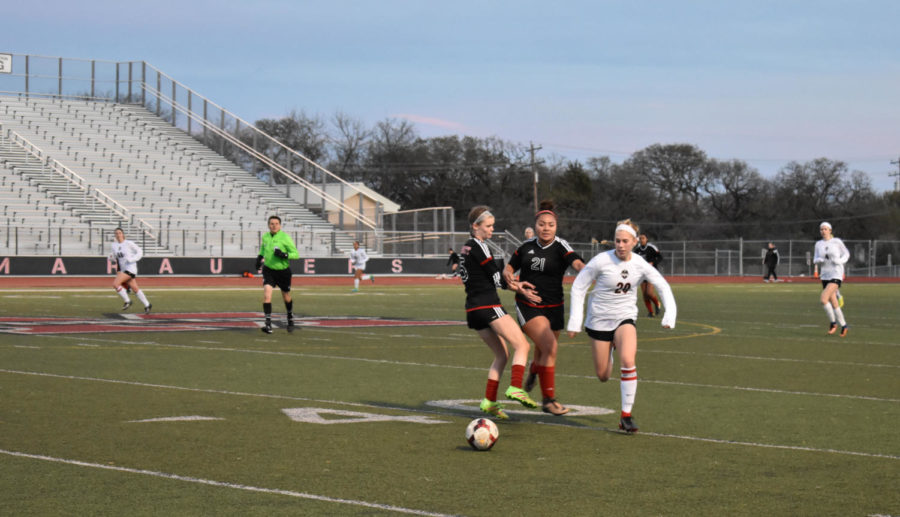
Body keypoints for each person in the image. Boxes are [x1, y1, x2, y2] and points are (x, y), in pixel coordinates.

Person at [567, 219, 677, 434]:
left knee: (628, 359)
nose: (620, 245)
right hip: (599, 320)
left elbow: (662, 285)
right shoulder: (601, 261)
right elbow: (579, 287)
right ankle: (608, 352)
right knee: (603, 375)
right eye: (617, 240)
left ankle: (626, 415)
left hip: (624, 318)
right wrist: (575, 321)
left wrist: (669, 316)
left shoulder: (639, 263)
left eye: (625, 241)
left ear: (634, 242)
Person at [503, 200, 585, 415]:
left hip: (555, 307)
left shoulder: (561, 246)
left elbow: (578, 264)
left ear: (556, 226)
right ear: (535, 225)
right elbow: (509, 269)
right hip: (529, 305)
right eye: (541, 224)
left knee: (545, 352)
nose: (546, 228)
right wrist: (512, 279)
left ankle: (534, 371)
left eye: (550, 224)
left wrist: (589, 272)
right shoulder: (526, 247)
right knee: (550, 347)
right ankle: (549, 400)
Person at [460, 205, 540, 420]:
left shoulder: (465, 248)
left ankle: (489, 401)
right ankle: (515, 387)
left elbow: (484, 277)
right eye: (488, 226)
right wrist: (519, 288)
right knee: (522, 345)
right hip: (488, 305)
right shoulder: (480, 246)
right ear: (475, 227)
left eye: (492, 226)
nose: (491, 230)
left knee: (502, 355)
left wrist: (517, 285)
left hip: (472, 310)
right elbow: (497, 280)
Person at [255, 215, 299, 334]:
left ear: (280, 225)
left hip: (283, 271)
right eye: (271, 223)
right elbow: (263, 250)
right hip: (269, 270)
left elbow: (295, 254)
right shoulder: (265, 237)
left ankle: (290, 317)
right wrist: (259, 259)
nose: (274, 226)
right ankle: (268, 325)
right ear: (268, 225)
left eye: (276, 223)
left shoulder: (285, 237)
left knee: (286, 296)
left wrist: (284, 255)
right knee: (267, 296)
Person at [813, 222, 850, 337]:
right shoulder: (818, 244)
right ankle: (844, 325)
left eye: (825, 229)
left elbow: (846, 254)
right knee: (834, 302)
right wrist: (818, 260)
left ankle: (833, 323)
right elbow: (814, 259)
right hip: (825, 275)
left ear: (830, 230)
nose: (823, 231)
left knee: (824, 299)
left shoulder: (836, 242)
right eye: (821, 229)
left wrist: (840, 261)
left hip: (836, 274)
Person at [108, 227, 152, 313]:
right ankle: (147, 305)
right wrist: (111, 258)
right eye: (116, 233)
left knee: (116, 284)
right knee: (135, 289)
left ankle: (127, 301)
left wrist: (133, 259)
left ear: (123, 234)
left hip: (131, 268)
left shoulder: (128, 243)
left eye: (120, 233)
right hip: (124, 269)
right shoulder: (114, 245)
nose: (118, 235)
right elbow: (115, 258)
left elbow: (140, 251)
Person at [634, 234, 663, 317]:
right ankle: (651, 312)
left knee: (649, 293)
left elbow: (660, 257)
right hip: (642, 274)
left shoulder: (651, 248)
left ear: (646, 239)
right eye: (640, 238)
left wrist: (653, 262)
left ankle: (657, 303)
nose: (641, 239)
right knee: (645, 294)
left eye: (643, 238)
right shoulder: (637, 250)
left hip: (651, 272)